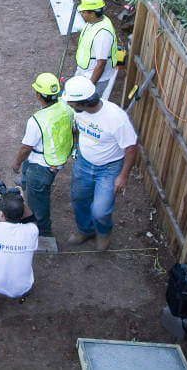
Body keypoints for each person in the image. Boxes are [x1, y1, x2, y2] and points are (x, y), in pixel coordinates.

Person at [62, 75, 137, 251]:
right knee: (79, 198)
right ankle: (85, 230)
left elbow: (131, 147)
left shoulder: (116, 118)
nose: (70, 106)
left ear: (83, 102)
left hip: (109, 168)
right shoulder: (78, 111)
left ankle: (103, 232)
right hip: (84, 162)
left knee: (101, 210)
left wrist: (123, 176)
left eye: (72, 103)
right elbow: (76, 128)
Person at [11, 73, 74, 249]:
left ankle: (44, 233)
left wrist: (16, 164)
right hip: (56, 158)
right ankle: (25, 184)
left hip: (42, 166)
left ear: (39, 95)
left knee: (39, 202)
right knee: (28, 176)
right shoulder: (67, 108)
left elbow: (26, 148)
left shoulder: (36, 121)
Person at [74, 0, 118, 99]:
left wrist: (90, 85)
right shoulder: (93, 22)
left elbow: (101, 64)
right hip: (85, 71)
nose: (81, 13)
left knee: (88, 106)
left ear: (92, 13)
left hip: (95, 78)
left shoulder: (103, 34)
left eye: (83, 11)